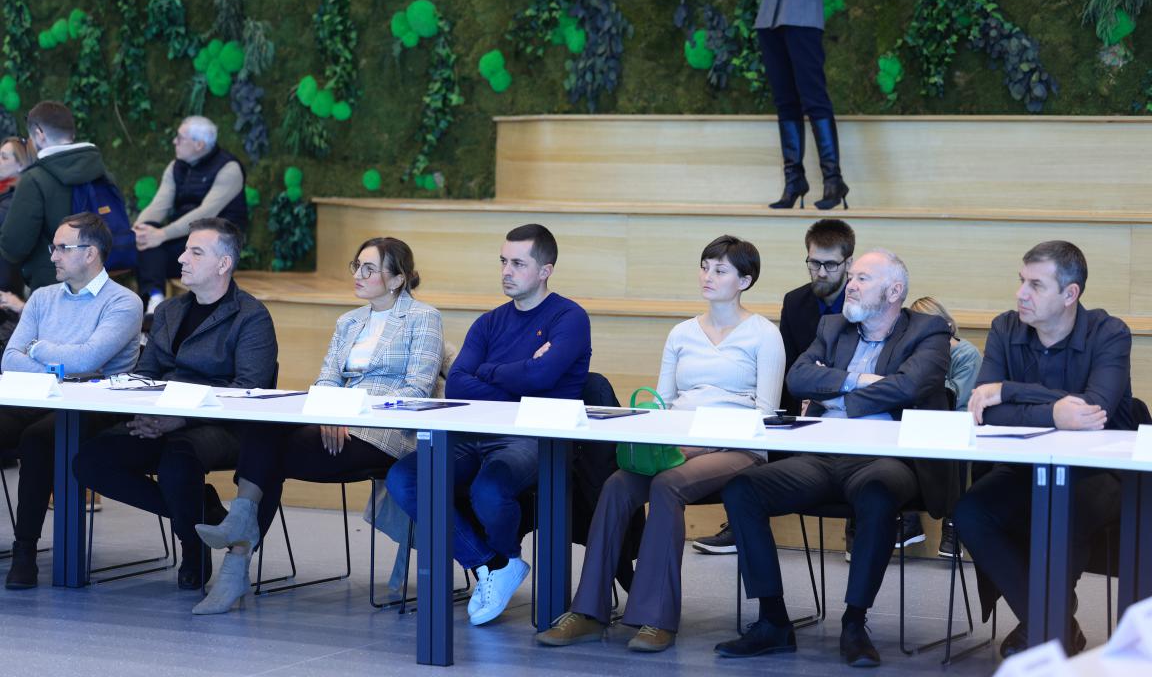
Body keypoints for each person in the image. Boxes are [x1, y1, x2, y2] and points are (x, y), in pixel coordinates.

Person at [537, 236, 785, 653]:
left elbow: (764, 413)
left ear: (744, 281)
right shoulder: (682, 333)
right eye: (704, 266)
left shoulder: (764, 334)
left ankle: (656, 618)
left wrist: (699, 446)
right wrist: (662, 442)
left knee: (667, 485)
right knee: (617, 484)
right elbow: (664, 403)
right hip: (676, 444)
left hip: (737, 448)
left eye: (720, 270)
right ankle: (588, 611)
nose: (708, 276)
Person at [715, 249, 956, 668]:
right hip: (822, 454)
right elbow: (798, 377)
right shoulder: (833, 326)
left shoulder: (928, 330)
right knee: (742, 489)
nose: (851, 285)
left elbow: (912, 386)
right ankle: (773, 621)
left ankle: (854, 623)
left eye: (863, 278)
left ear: (894, 291)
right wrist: (858, 380)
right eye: (852, 277)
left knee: (878, 493)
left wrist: (840, 396)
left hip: (887, 456)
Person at [187, 236, 443, 614]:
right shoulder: (349, 321)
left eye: (369, 269)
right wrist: (330, 411)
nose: (358, 275)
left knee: (266, 458)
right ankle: (237, 544)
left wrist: (346, 410)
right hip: (333, 425)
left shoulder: (423, 318)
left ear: (397, 279)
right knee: (265, 428)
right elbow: (326, 380)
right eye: (356, 266)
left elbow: (416, 389)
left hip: (385, 433)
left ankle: (236, 555)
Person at [385, 223, 591, 627]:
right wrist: (522, 375)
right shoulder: (489, 322)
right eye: (503, 262)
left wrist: (490, 371)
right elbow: (459, 383)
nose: (506, 271)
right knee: (405, 477)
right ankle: (493, 563)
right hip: (475, 431)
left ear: (545, 270)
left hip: (537, 435)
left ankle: (500, 559)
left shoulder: (569, 318)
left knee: (489, 489)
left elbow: (543, 375)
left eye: (518, 264)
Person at [73, 217, 277, 590]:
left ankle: (192, 547)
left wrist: (180, 420)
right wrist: (145, 412)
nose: (181, 259)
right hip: (163, 419)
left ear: (223, 264)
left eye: (195, 252)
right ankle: (204, 514)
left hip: (222, 425)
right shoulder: (169, 310)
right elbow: (146, 373)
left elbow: (249, 391)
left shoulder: (251, 317)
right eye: (185, 250)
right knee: (90, 460)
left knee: (178, 458)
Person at [953, 241, 1133, 659]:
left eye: (1035, 285)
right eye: (1021, 281)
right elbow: (985, 412)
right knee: (970, 512)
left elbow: (1095, 410)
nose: (1021, 293)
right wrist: (1054, 411)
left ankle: (1042, 626)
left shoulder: (1110, 333)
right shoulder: (1005, 328)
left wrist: (1009, 391)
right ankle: (1053, 624)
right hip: (1026, 467)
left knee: (1062, 508)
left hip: (1098, 469)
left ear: (1070, 294)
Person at [694, 218, 853, 555]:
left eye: (830, 265)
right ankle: (740, 524)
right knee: (770, 420)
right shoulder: (795, 301)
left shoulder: (863, 300)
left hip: (852, 403)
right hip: (802, 399)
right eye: (814, 263)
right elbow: (787, 366)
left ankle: (861, 525)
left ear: (848, 263)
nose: (821, 272)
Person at [1, 212, 143, 589]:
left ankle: (24, 551)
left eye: (62, 248)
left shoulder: (124, 302)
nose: (53, 256)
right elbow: (9, 359)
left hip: (95, 405)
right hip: (38, 396)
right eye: (54, 248)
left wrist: (37, 347)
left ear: (90, 253)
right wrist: (62, 365)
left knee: (38, 439)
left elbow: (88, 360)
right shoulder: (42, 297)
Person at [756, 0, 851, 210]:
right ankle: (794, 180)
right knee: (785, 101)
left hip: (803, 17)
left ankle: (833, 180)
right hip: (770, 18)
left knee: (814, 97)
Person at [133, 116, 247, 312]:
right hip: (184, 235)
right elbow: (159, 206)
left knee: (155, 245)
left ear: (199, 144)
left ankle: (156, 299)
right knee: (145, 238)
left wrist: (162, 234)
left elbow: (206, 213)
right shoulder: (176, 167)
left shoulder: (229, 169)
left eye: (180, 137)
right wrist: (138, 230)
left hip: (218, 241)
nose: (174, 141)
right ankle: (155, 298)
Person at [0, 101, 113, 292]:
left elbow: (13, 247)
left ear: (39, 134)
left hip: (51, 287)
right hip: (101, 280)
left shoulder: (34, 179)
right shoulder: (102, 173)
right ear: (71, 133)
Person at [907, 295, 983, 559]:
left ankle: (953, 526)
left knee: (954, 442)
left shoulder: (966, 354)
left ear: (947, 325)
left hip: (958, 421)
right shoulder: (914, 354)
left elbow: (957, 400)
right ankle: (907, 518)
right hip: (923, 421)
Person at [0, 136, 31, 348]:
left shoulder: (18, 196)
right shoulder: (5, 191)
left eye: (4, 157)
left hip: (7, 280)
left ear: (20, 164)